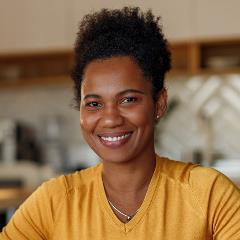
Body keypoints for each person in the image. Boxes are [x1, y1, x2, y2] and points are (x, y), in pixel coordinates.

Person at [1, 7, 240, 240]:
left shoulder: (209, 196)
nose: (111, 119)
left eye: (128, 100)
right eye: (94, 104)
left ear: (159, 103)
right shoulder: (52, 203)